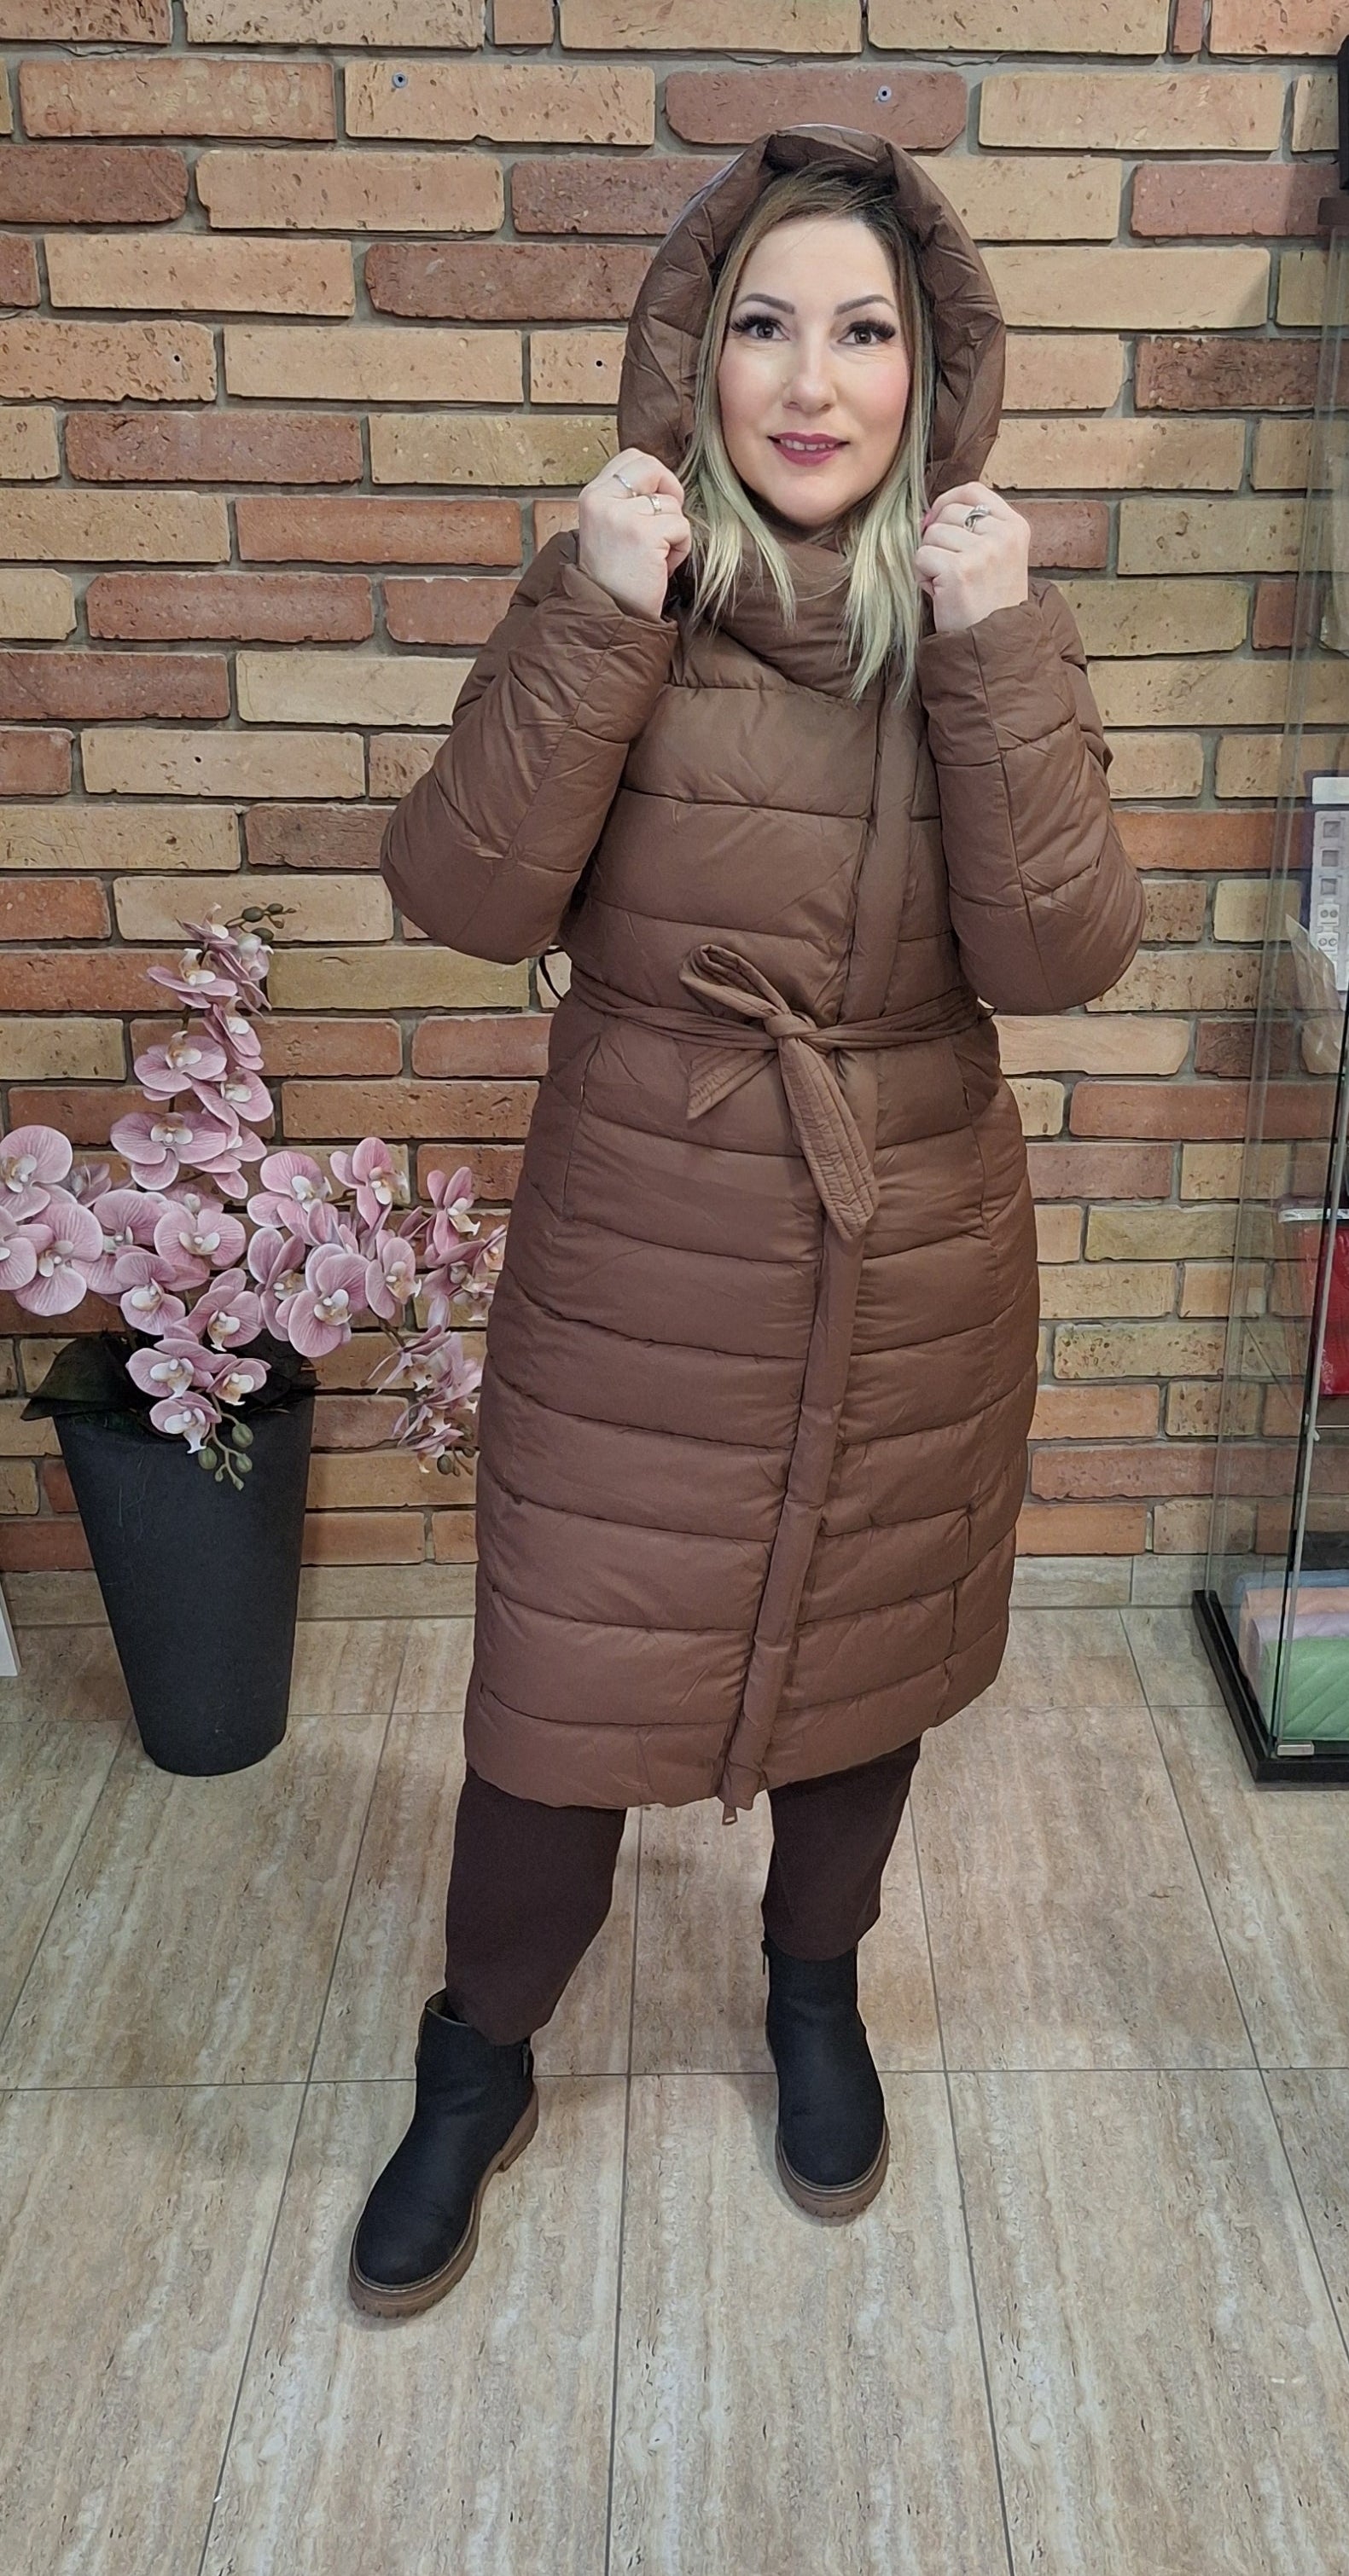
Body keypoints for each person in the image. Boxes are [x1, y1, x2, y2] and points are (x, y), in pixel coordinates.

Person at [350, 125, 1145, 2318]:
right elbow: (462, 893)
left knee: (862, 1648)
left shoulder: (982, 610)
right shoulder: (618, 578)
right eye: (765, 326)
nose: (811, 380)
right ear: (694, 358)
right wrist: (601, 607)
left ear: (929, 371)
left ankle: (813, 1989)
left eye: (864, 332)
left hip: (912, 1228)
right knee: (562, 1678)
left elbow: (1063, 952)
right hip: (646, 1222)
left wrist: (992, 644)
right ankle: (477, 2052)